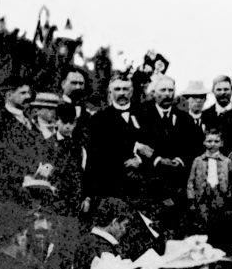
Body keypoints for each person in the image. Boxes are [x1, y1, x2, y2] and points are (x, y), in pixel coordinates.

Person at [138, 76, 194, 236]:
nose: (167, 94)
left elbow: (193, 146)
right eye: (163, 90)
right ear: (154, 93)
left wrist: (180, 160)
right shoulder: (142, 116)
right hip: (151, 186)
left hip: (178, 185)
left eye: (171, 90)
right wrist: (157, 160)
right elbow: (139, 145)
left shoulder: (184, 119)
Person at [86, 72, 154, 202]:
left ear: (132, 91)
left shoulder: (146, 115)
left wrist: (140, 160)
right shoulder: (99, 119)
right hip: (112, 186)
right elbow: (98, 153)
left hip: (142, 189)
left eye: (126, 89)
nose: (122, 93)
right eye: (117, 89)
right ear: (110, 92)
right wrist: (134, 148)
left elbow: (153, 146)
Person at [0, 75, 48, 202]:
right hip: (9, 191)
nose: (28, 97)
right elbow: (4, 155)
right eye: (22, 93)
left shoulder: (30, 123)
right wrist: (34, 168)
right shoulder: (0, 123)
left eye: (28, 93)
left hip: (33, 191)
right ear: (9, 95)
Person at [187, 128, 232, 233]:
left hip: (221, 196)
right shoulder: (198, 160)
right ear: (204, 142)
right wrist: (191, 198)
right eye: (209, 141)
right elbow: (191, 181)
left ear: (222, 143)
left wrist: (230, 197)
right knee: (203, 222)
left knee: (220, 223)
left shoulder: (227, 161)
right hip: (202, 197)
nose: (213, 144)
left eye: (216, 141)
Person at [181, 80, 209, 157]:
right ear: (187, 99)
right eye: (194, 97)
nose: (198, 100)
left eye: (201, 97)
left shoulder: (211, 119)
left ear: (205, 99)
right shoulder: (181, 120)